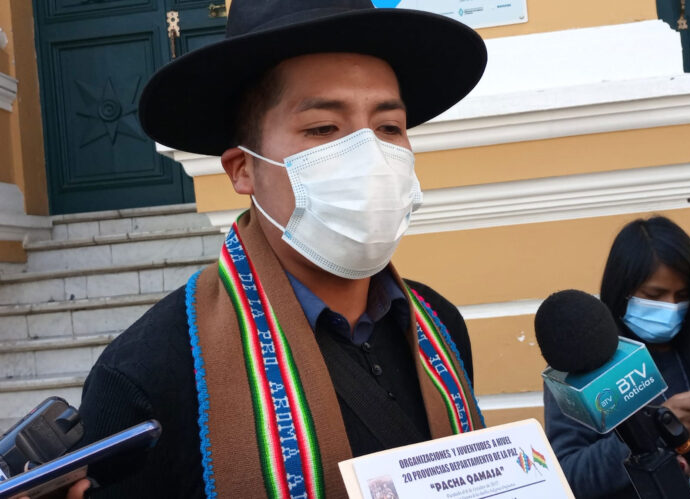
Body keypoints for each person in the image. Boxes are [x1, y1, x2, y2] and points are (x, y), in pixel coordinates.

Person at [74, 0, 489, 497]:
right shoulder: (146, 375)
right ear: (242, 170)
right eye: (323, 129)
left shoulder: (440, 326)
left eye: (388, 128)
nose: (370, 157)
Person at [544, 215, 690, 498]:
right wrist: (657, 432)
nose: (671, 307)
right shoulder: (583, 363)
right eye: (655, 295)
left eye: (682, 295)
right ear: (622, 289)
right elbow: (569, 475)